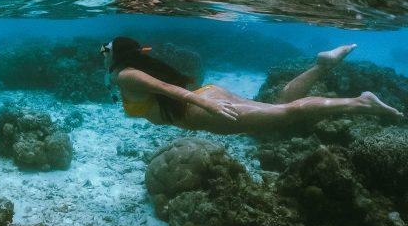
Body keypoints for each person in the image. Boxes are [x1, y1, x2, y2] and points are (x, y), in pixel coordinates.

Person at [102, 36, 403, 135]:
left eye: (105, 50)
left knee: (287, 116)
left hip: (201, 110)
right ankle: (324, 65)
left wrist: (208, 105)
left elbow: (168, 90)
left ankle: (361, 103)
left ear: (117, 55)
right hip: (205, 97)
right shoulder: (128, 71)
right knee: (280, 108)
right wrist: (206, 99)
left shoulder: (125, 75)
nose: (101, 54)